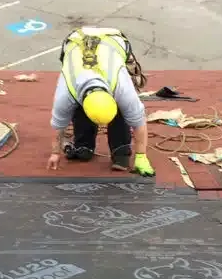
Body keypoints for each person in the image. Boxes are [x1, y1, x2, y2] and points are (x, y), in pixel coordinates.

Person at [47, 27, 155, 176]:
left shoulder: (122, 87)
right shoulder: (66, 90)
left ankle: (121, 152)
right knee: (77, 109)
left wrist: (141, 156)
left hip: (112, 40)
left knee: (123, 109)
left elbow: (139, 122)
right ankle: (83, 146)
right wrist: (55, 153)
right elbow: (58, 126)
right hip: (76, 42)